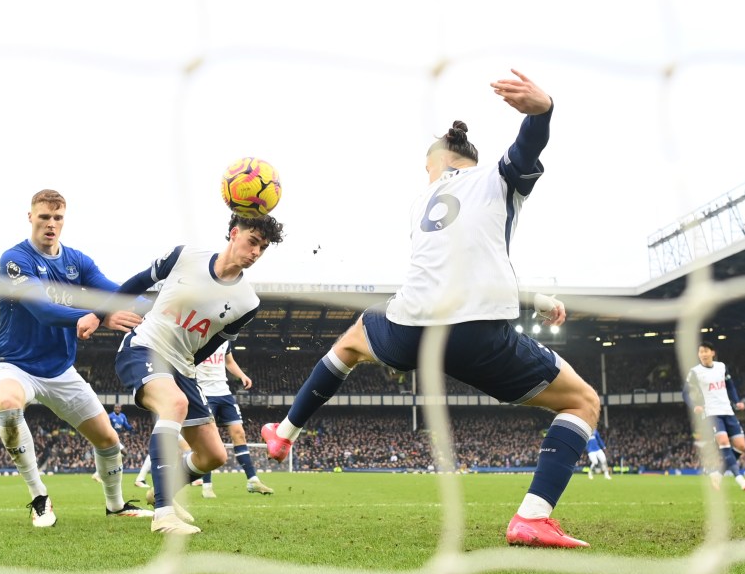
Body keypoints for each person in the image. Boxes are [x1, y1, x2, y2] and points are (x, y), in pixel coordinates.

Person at [262, 69, 600, 548]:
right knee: (583, 402)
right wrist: (542, 112)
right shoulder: (495, 179)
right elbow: (525, 153)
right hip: (477, 335)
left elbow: (462, 266)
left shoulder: (428, 199)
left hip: (411, 328)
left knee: (354, 339)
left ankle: (285, 431)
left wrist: (537, 299)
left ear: (439, 163)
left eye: (426, 167)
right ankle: (532, 517)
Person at [79, 212, 285, 534]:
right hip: (143, 347)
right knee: (174, 404)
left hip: (183, 367)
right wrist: (97, 314)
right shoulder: (185, 256)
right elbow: (136, 283)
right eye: (252, 241)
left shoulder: (248, 302)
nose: (256, 252)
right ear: (234, 233)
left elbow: (213, 343)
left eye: (263, 247)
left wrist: (186, 370)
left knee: (213, 455)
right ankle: (163, 515)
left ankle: (160, 491)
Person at [0, 188, 153, 527]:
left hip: (60, 369)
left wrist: (160, 304)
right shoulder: (14, 260)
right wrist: (101, 316)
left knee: (108, 440)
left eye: (57, 218)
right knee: (7, 403)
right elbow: (43, 311)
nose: (50, 224)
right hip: (14, 364)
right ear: (30, 217)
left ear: (64, 220)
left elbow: (114, 292)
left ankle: (116, 505)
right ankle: (39, 497)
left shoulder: (78, 262)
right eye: (44, 217)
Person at [195, 340, 273, 498]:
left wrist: (242, 376)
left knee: (239, 433)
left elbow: (229, 362)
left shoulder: (224, 340)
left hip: (224, 393)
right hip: (203, 392)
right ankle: (207, 486)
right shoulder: (197, 337)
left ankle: (252, 480)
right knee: (209, 438)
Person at [683, 341, 745, 491]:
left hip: (727, 411)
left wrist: (737, 401)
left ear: (712, 353)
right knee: (724, 442)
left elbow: (730, 385)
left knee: (741, 446)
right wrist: (695, 406)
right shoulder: (695, 372)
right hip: (711, 413)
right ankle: (740, 479)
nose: (703, 354)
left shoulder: (721, 367)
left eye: (706, 351)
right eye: (700, 352)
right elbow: (685, 393)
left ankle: (718, 475)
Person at [91, 403, 135, 483]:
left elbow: (127, 427)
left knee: (114, 456)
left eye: (119, 407)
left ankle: (99, 473)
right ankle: (113, 469)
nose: (117, 408)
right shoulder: (110, 416)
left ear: (120, 409)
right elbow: (104, 425)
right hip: (110, 437)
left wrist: (132, 426)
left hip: (116, 438)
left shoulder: (122, 416)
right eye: (116, 407)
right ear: (114, 408)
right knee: (124, 452)